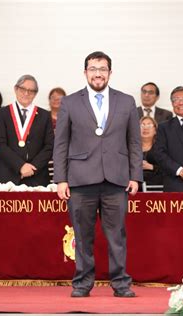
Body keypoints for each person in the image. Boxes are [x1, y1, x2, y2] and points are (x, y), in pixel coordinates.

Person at [53, 51, 142, 298]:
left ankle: (121, 284)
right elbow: (60, 143)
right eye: (93, 69)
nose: (98, 73)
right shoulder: (70, 102)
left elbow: (134, 142)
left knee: (117, 236)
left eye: (103, 69)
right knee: (82, 236)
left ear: (110, 73)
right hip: (80, 179)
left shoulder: (126, 102)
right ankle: (82, 284)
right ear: (85, 73)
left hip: (117, 179)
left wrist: (135, 176)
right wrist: (61, 179)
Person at [0, 75, 54, 186]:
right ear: (16, 89)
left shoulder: (45, 116)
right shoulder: (2, 113)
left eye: (31, 91)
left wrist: (32, 168)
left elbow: (49, 146)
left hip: (37, 177)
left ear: (35, 94)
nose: (26, 93)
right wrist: (20, 165)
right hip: (8, 176)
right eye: (23, 89)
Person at [140, 116, 162, 189]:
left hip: (157, 187)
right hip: (135, 186)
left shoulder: (162, 148)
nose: (145, 128)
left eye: (149, 125)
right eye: (142, 125)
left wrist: (151, 167)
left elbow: (169, 169)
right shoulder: (131, 147)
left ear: (155, 130)